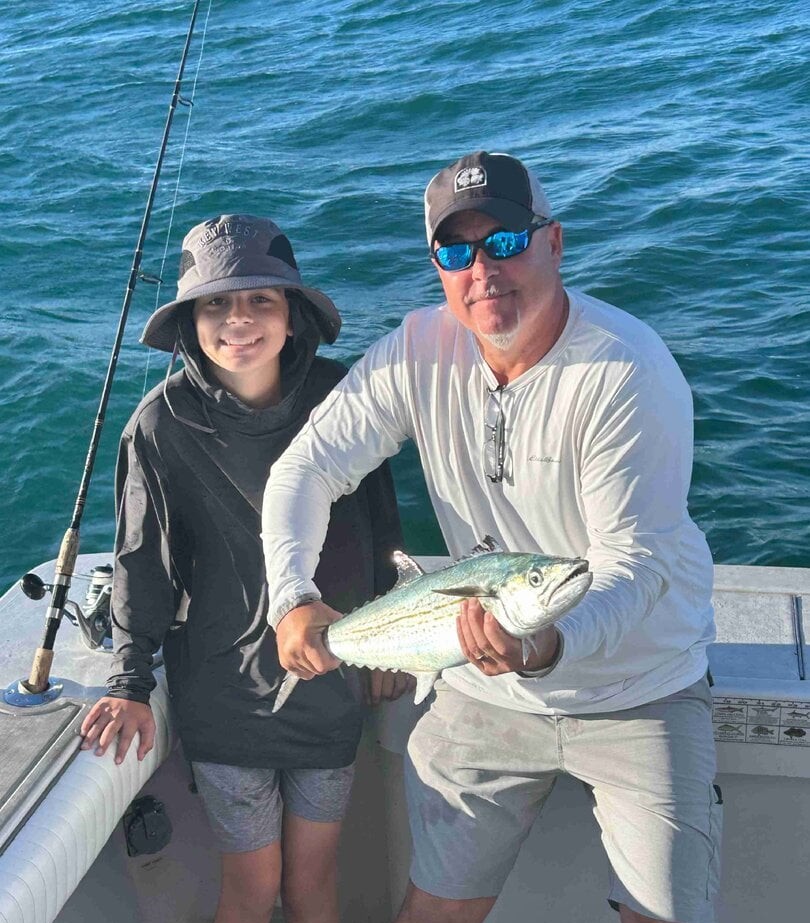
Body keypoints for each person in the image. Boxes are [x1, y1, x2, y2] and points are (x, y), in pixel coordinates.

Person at [261, 152, 722, 923]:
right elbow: (303, 469)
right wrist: (292, 597)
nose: (482, 270)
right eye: (456, 252)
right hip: (481, 682)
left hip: (640, 686)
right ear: (438, 268)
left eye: (505, 241)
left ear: (554, 242)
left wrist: (541, 643)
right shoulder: (416, 351)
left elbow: (635, 566)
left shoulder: (625, 370)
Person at [79, 214, 405, 923]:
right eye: (217, 303)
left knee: (314, 886)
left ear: (293, 314)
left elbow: (382, 525)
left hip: (330, 686)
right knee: (252, 889)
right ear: (189, 322)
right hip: (224, 699)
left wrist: (389, 644)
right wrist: (130, 681)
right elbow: (142, 564)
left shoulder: (342, 398)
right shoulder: (159, 424)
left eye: (262, 298)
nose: (239, 319)